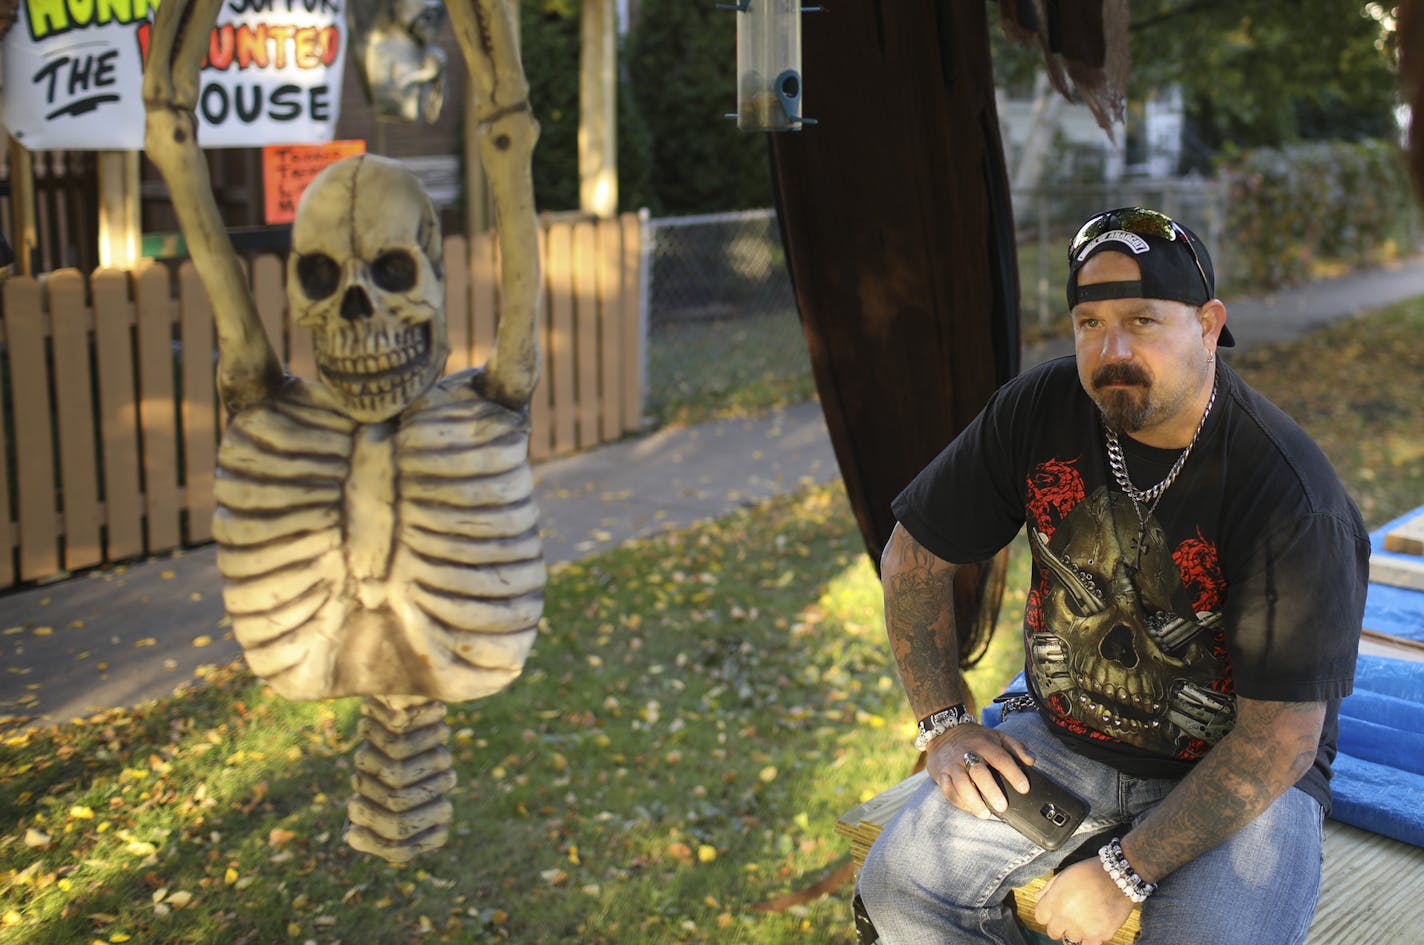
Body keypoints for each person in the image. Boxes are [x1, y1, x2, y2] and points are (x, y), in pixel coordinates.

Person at [857, 207, 1368, 945]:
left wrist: (1123, 870)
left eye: (1142, 320)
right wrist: (945, 722)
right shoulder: (1037, 411)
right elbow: (911, 557)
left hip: (1235, 779)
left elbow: (1280, 741)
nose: (1112, 349)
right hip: (1063, 745)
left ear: (1208, 324)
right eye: (1089, 323)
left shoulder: (1288, 494)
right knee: (898, 887)